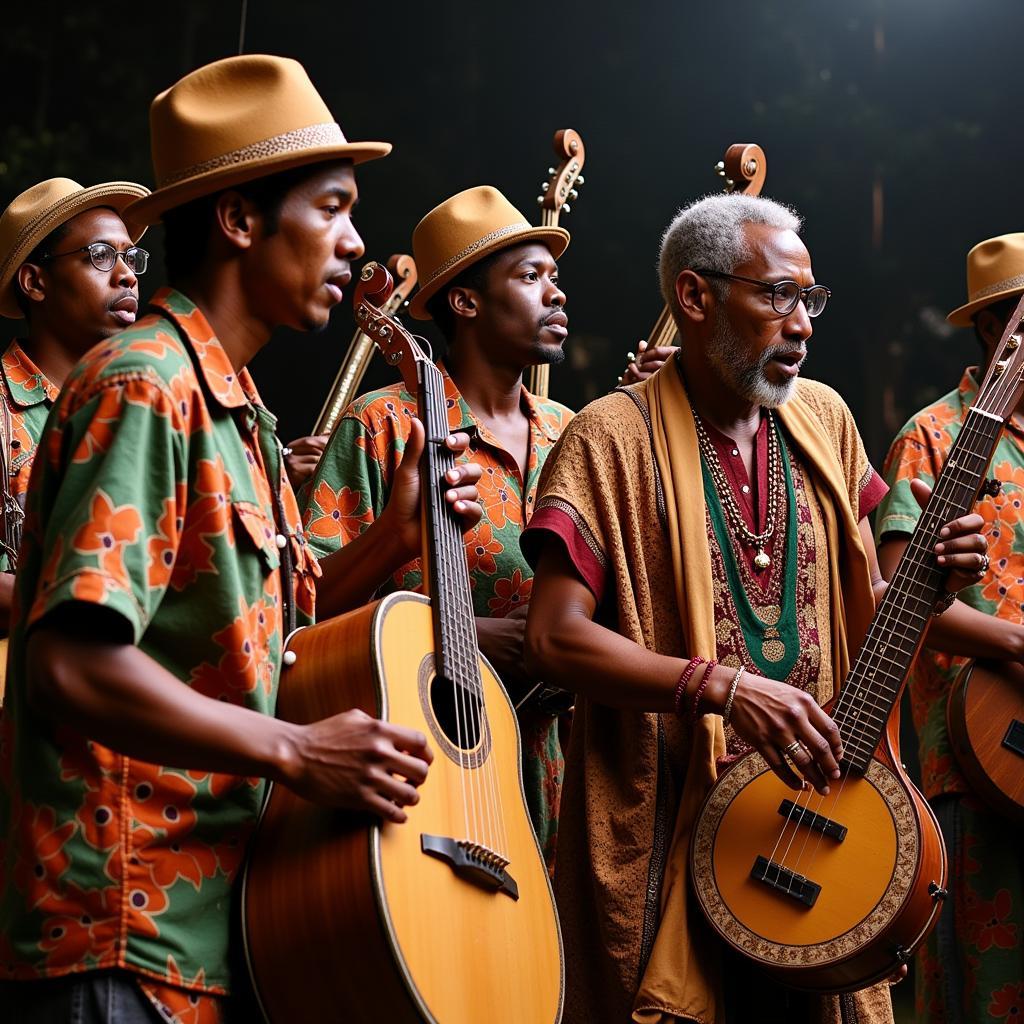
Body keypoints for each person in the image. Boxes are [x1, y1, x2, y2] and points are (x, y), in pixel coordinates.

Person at [0, 54, 482, 1023]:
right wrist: (299, 751)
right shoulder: (147, 383)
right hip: (117, 932)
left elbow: (262, 652)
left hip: (218, 930)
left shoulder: (242, 411)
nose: (354, 242)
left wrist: (394, 536)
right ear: (238, 219)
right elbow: (68, 665)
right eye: (333, 206)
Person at [521, 192, 989, 1024]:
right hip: (663, 827)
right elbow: (554, 638)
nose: (802, 322)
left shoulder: (826, 420)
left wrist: (932, 587)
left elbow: (855, 608)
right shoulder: (605, 437)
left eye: (810, 298)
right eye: (776, 294)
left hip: (823, 830)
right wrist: (722, 687)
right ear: (695, 298)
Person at [300, 185, 574, 871]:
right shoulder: (383, 424)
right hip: (426, 769)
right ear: (465, 301)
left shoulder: (573, 433)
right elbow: (303, 613)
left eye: (556, 278)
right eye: (530, 276)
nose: (557, 294)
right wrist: (469, 639)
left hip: (555, 774)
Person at [876, 232, 1024, 1024]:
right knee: (981, 982)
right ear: (997, 328)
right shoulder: (934, 435)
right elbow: (897, 593)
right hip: (977, 759)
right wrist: (1011, 646)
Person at [0, 177, 149, 638]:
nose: (126, 274)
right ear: (35, 282)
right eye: (101, 255)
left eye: (130, 257)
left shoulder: (143, 403)